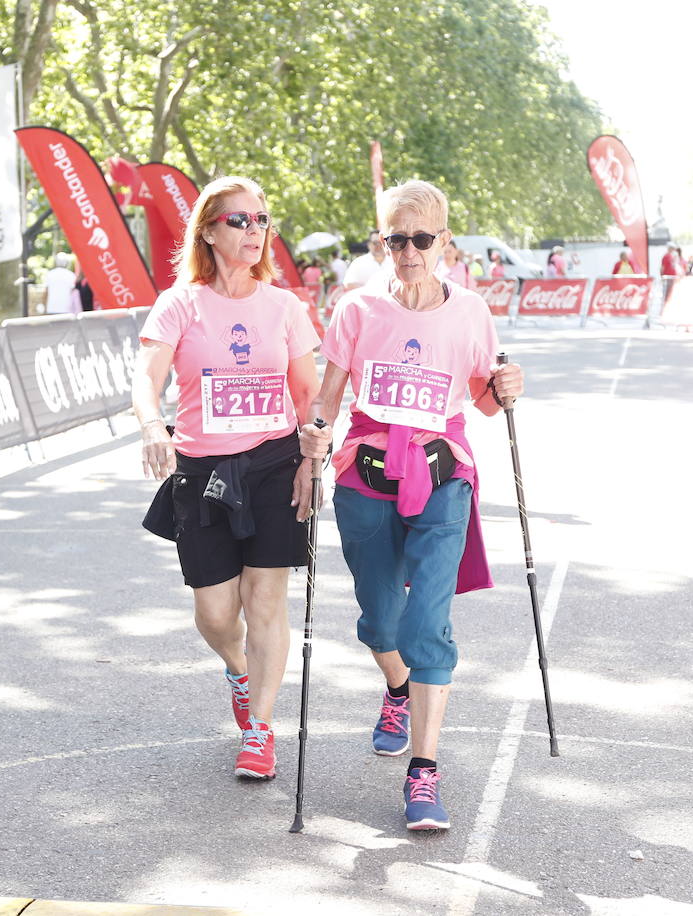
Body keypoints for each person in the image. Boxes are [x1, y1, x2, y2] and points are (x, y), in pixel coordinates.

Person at [301, 180, 524, 831]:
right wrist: (313, 433)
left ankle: (423, 773)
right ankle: (396, 688)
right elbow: (328, 395)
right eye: (396, 239)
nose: (408, 251)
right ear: (381, 243)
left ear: (444, 242)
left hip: (441, 479)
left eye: (421, 238)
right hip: (365, 481)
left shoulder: (471, 312)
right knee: (380, 623)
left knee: (427, 625)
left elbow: (484, 397)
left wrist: (506, 388)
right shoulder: (357, 310)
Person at [133, 176, 329, 780]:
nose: (254, 230)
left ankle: (261, 730)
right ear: (210, 231)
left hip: (273, 465)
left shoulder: (284, 306)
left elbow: (308, 392)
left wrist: (313, 451)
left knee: (266, 599)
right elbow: (147, 378)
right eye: (240, 220)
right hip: (202, 470)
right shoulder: (180, 304)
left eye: (262, 219)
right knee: (216, 613)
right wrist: (151, 425)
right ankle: (238, 670)